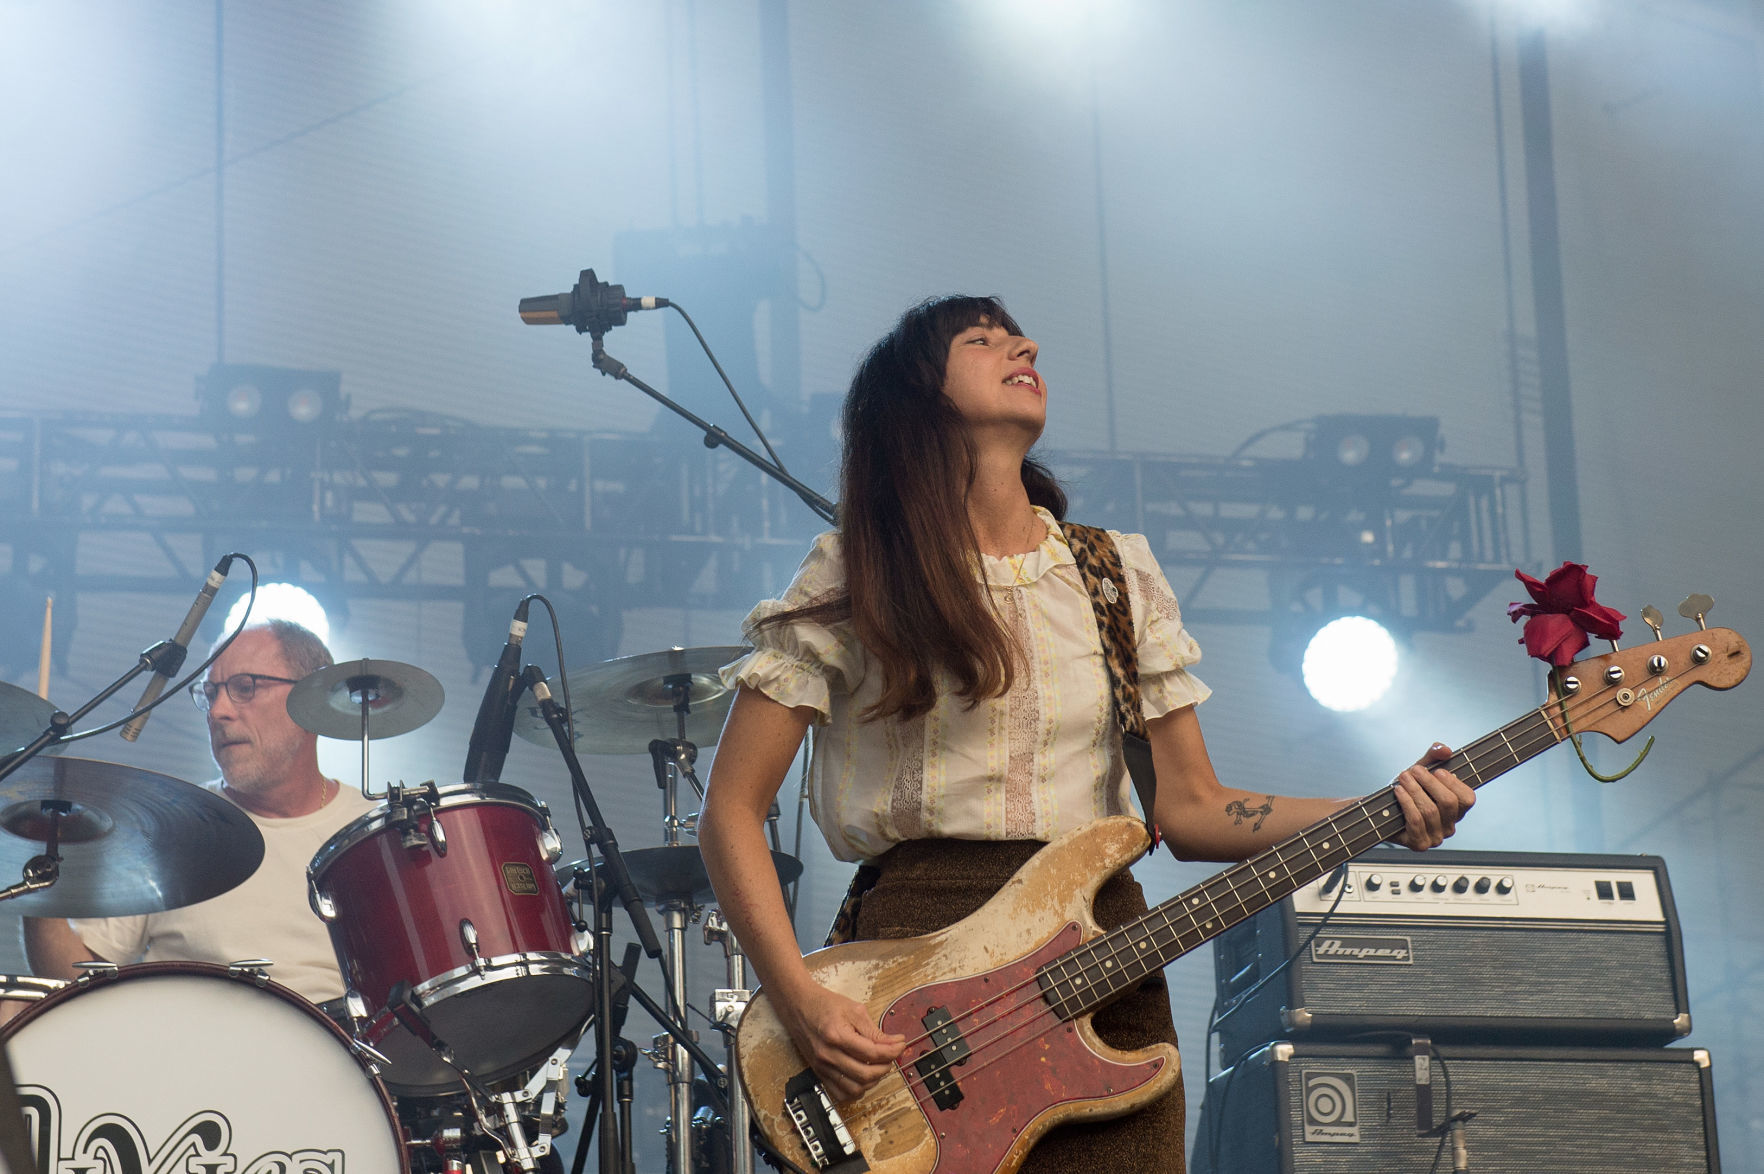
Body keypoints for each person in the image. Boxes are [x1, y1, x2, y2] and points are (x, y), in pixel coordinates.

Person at [696, 295, 1476, 1172]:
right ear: (916, 401)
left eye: (1018, 334)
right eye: (981, 340)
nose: (1023, 345)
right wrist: (796, 997)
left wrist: (1380, 808)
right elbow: (730, 810)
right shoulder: (854, 570)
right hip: (912, 975)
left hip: (1103, 968)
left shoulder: (1114, 575)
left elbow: (1191, 809)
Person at [21, 619, 377, 1005]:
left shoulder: (377, 830)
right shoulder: (170, 827)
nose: (218, 711)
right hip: (177, 1054)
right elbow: (73, 981)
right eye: (210, 693)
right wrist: (38, 873)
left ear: (312, 700)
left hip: (333, 1057)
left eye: (244, 688)